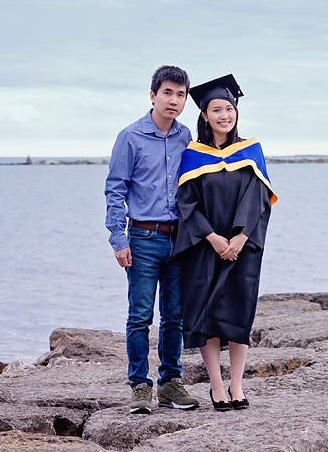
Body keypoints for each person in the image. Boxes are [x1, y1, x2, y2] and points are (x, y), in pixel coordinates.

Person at [174, 74, 277, 411]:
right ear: (204, 115)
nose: (224, 115)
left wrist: (241, 236)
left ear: (236, 113)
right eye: (216, 109)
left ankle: (237, 385)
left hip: (242, 247)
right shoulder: (192, 155)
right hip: (205, 245)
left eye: (229, 109)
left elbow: (258, 197)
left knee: (237, 311)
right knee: (206, 311)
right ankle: (216, 387)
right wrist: (214, 237)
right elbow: (186, 202)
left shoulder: (250, 150)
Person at [104, 65, 200, 414]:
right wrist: (119, 239)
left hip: (180, 239)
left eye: (181, 94)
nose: (174, 100)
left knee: (174, 316)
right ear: (153, 95)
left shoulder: (185, 135)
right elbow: (115, 189)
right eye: (168, 93)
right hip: (143, 238)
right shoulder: (130, 137)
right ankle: (139, 387)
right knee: (140, 315)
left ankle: (171, 384)